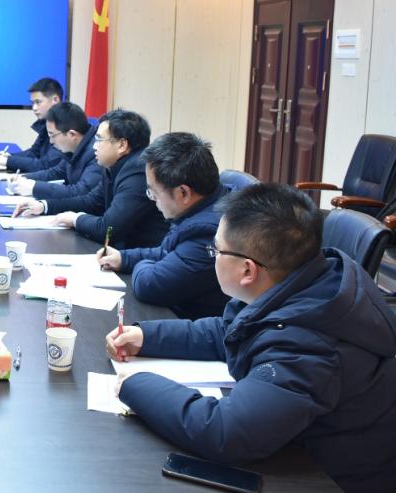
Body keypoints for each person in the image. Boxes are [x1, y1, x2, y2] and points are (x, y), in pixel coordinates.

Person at [106, 183, 396, 493]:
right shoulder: (297, 282)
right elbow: (229, 332)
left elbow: (225, 432)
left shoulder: (310, 345)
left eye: (216, 250)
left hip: (330, 479)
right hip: (294, 448)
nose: (213, 256)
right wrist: (147, 336)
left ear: (248, 270)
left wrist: (134, 383)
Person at [97, 132, 230, 320]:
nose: (153, 200)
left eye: (154, 193)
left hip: (191, 324)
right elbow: (167, 252)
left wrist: (145, 264)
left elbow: (150, 286)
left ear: (183, 193)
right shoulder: (204, 203)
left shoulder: (210, 232)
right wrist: (124, 258)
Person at [14, 109, 168, 248]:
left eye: (100, 140)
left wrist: (75, 219)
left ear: (122, 145)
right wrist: (44, 206)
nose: (94, 146)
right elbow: (91, 202)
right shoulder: (114, 165)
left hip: (143, 260)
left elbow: (108, 229)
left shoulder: (138, 172)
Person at [7, 101, 102, 202]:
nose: (51, 141)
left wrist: (34, 187)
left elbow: (80, 191)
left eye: (52, 135)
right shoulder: (74, 147)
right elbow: (56, 172)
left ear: (72, 134)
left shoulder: (96, 153)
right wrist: (24, 178)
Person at [0, 77, 64, 173]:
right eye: (32, 103)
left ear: (55, 100)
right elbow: (34, 152)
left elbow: (45, 165)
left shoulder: (65, 126)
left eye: (38, 102)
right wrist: (10, 156)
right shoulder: (47, 122)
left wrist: (9, 161)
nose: (34, 108)